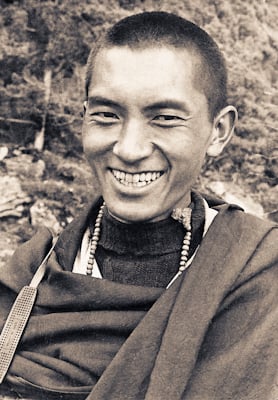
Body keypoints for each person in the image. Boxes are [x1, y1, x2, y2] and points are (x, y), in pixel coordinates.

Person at [0, 11, 277, 400]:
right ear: (84, 120)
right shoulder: (31, 275)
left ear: (218, 131)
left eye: (164, 118)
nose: (129, 149)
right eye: (106, 115)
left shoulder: (255, 271)